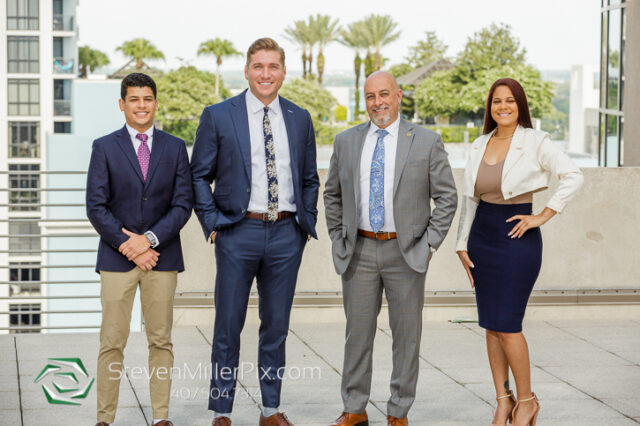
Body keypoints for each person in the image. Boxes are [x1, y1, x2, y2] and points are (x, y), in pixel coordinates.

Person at [190, 37, 319, 426]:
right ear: (246, 71)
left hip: (285, 234)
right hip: (237, 232)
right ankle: (222, 411)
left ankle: (270, 409)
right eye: (258, 67)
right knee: (228, 326)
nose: (266, 74)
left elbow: (310, 178)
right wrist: (213, 224)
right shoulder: (218, 115)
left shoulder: (299, 118)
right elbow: (199, 175)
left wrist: (303, 221)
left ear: (283, 72)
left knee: (276, 328)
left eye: (273, 67)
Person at [324, 71, 458, 426]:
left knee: (406, 337)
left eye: (384, 94)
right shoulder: (346, 141)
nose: (378, 102)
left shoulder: (426, 141)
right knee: (357, 336)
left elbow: (446, 197)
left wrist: (428, 244)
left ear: (398, 96)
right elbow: (332, 194)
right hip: (360, 251)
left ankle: (398, 412)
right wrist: (339, 236)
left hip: (406, 253)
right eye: (370, 97)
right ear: (364, 101)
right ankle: (354, 408)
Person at [455, 78, 584, 426]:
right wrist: (460, 244)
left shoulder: (535, 141)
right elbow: (470, 199)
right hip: (481, 237)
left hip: (515, 239)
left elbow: (573, 175)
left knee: (508, 325)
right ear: (489, 107)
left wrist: (543, 215)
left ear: (520, 105)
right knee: (491, 325)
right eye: (496, 101)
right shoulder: (479, 144)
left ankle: (526, 402)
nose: (502, 107)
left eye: (509, 100)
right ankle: (503, 400)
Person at [86, 72, 193, 426]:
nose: (141, 105)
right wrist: (130, 246)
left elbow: (182, 205)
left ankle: (161, 418)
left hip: (161, 258)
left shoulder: (175, 147)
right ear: (122, 104)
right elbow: (96, 206)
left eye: (147, 99)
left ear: (156, 104)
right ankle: (105, 419)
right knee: (112, 342)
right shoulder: (104, 147)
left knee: (160, 340)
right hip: (117, 260)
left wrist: (148, 240)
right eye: (134, 99)